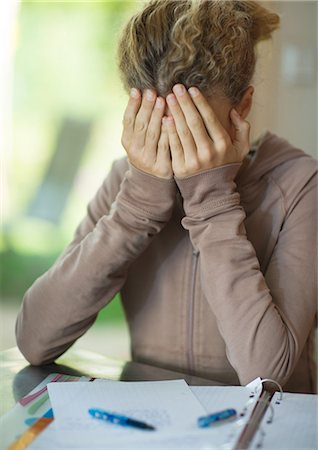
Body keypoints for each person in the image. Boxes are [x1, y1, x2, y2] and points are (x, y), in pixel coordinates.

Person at [16, 0, 317, 393]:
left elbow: (267, 373)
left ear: (242, 107)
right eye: (157, 128)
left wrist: (213, 200)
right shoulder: (127, 181)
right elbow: (34, 340)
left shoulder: (300, 184)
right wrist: (136, 207)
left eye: (195, 129)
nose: (175, 151)